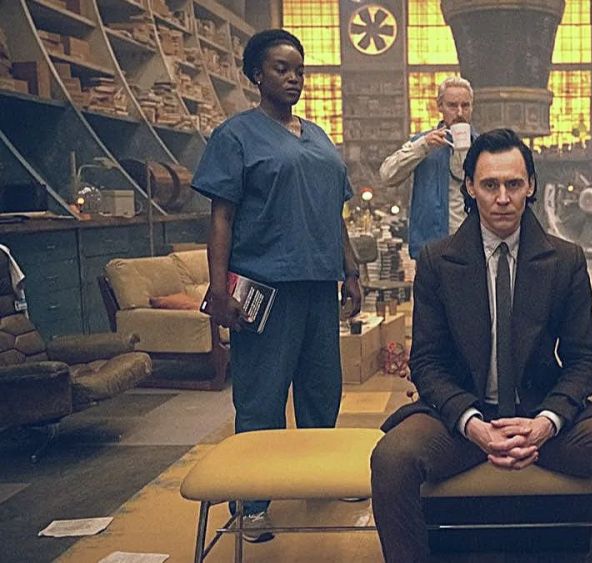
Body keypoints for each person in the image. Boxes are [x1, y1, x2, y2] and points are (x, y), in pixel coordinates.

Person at [370, 129, 592, 563]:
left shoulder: (565, 260)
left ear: (531, 186)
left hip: (540, 412)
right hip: (461, 420)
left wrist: (546, 421)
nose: (502, 198)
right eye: (490, 185)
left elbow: (582, 360)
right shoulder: (437, 261)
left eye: (513, 184)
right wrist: (472, 424)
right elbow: (426, 362)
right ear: (470, 187)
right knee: (392, 458)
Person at [193, 29, 362, 542]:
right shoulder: (236, 136)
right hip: (264, 287)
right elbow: (222, 216)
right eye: (281, 69)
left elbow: (335, 213)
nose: (293, 78)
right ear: (256, 75)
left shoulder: (319, 137)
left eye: (299, 70)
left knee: (321, 390)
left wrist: (351, 270)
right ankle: (252, 502)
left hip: (318, 284)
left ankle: (317, 477)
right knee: (262, 395)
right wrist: (218, 288)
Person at [380, 76, 475, 259]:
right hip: (431, 250)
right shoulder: (424, 143)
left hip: (472, 249)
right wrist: (423, 146)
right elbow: (387, 175)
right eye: (452, 105)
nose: (460, 113)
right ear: (440, 106)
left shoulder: (482, 146)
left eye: (465, 105)